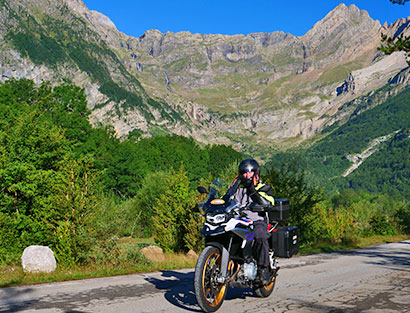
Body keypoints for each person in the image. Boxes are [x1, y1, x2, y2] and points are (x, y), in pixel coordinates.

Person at [229, 158, 275, 285]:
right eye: (244, 173)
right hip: (239, 220)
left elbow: (268, 203)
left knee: (260, 235)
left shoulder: (263, 188)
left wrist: (252, 190)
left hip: (257, 220)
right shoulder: (237, 189)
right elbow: (227, 199)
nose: (246, 175)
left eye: (249, 172)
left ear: (255, 173)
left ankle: (263, 269)